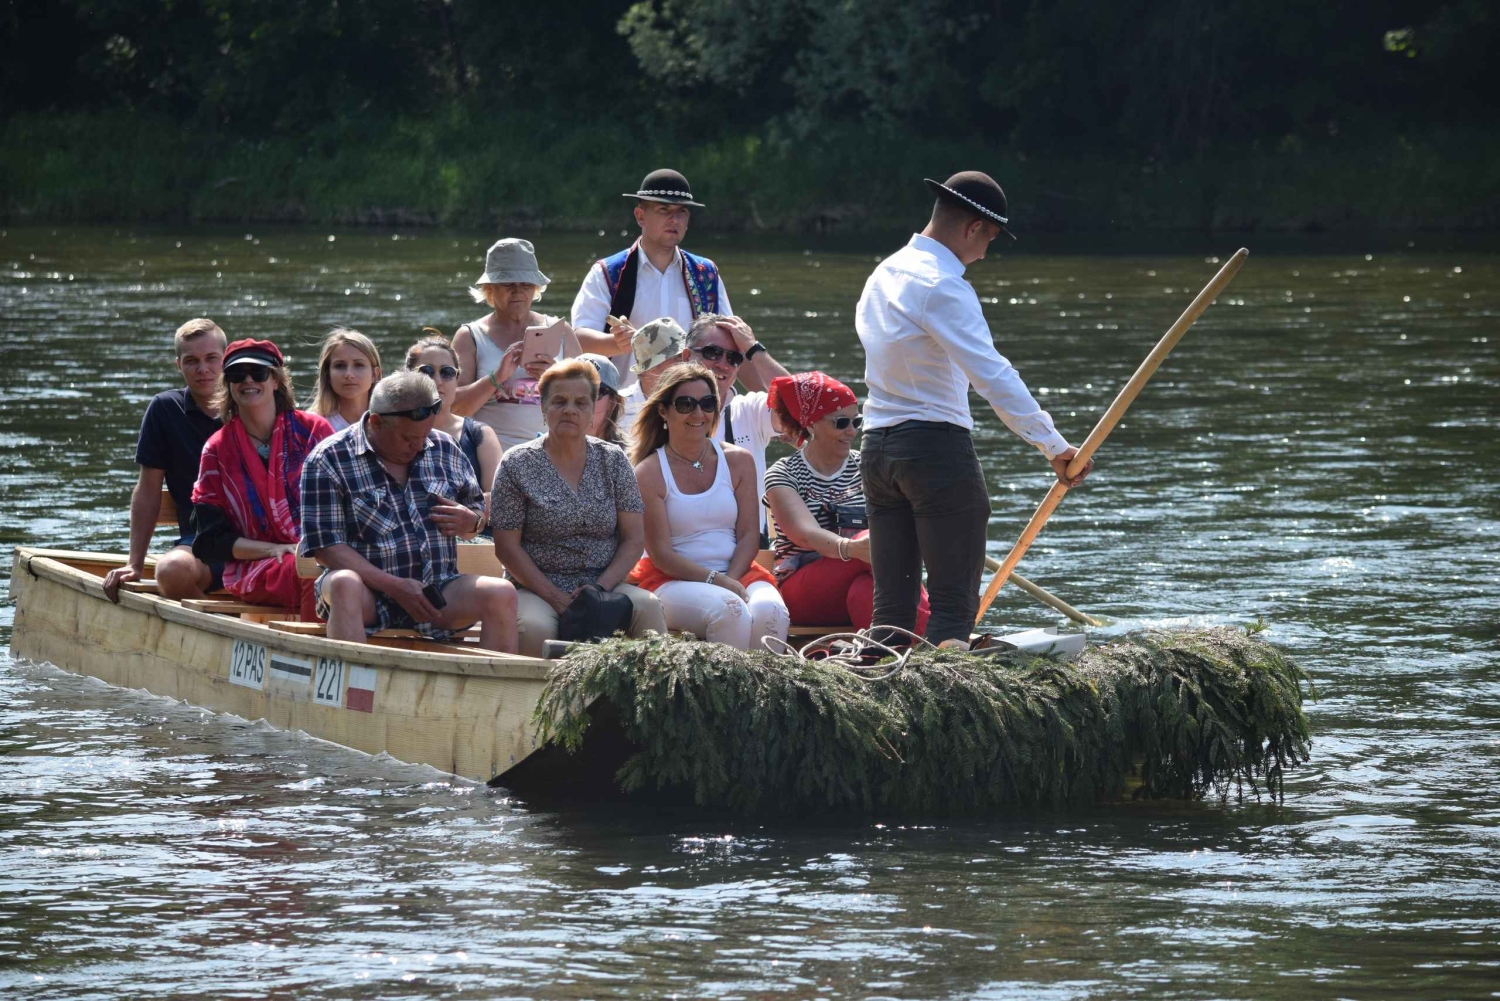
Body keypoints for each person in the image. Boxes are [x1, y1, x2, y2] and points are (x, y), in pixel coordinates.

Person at [857, 171, 1093, 650]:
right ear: (972, 228)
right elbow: (992, 374)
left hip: (877, 450)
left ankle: (878, 680)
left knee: (892, 610)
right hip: (933, 450)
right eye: (990, 239)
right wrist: (1053, 446)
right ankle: (944, 690)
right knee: (952, 607)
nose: (986, 253)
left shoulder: (883, 272)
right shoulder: (942, 284)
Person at [299, 371, 519, 652]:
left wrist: (472, 521)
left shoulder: (444, 447)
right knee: (343, 583)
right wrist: (394, 586)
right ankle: (353, 678)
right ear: (376, 422)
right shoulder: (327, 459)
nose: (418, 446)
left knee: (501, 593)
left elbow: (477, 510)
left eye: (424, 435)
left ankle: (490, 681)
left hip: (437, 592)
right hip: (368, 594)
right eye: (407, 438)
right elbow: (326, 548)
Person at [490, 359, 667, 657]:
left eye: (581, 403)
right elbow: (507, 548)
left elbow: (634, 539)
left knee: (648, 608)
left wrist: (598, 589)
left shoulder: (614, 460)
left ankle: (651, 688)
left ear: (592, 410)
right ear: (543, 408)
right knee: (534, 628)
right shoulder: (516, 464)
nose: (570, 410)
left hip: (604, 584)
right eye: (559, 401)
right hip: (536, 587)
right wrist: (556, 597)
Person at [629, 363, 788, 651]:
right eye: (685, 404)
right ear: (663, 411)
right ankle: (729, 683)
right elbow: (661, 555)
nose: (698, 413)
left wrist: (731, 579)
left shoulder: (740, 460)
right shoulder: (648, 472)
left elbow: (749, 535)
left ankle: (761, 683)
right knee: (730, 610)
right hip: (672, 579)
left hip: (738, 572)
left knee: (771, 612)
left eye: (707, 404)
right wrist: (717, 582)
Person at [572, 169, 772, 397]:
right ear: (640, 216)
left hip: (694, 407)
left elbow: (732, 346)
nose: (674, 219)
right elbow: (578, 340)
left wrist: (770, 404)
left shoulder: (706, 274)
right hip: (625, 407)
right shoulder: (608, 273)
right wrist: (616, 343)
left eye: (682, 211)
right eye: (664, 209)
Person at [763, 372, 930, 632]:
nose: (851, 431)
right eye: (841, 423)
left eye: (857, 421)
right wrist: (855, 549)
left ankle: (888, 647)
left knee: (865, 591)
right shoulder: (783, 473)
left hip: (865, 578)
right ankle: (933, 632)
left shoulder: (869, 464)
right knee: (877, 541)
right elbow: (805, 535)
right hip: (803, 591)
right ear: (811, 425)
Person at [189, 339, 334, 613]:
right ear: (228, 385)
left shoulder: (314, 431)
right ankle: (310, 639)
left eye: (258, 373)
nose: (248, 380)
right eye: (237, 375)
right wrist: (273, 549)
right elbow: (210, 541)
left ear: (276, 380)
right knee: (308, 568)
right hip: (256, 565)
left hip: (324, 550)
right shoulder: (216, 450)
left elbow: (345, 502)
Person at [104, 318, 227, 602]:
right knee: (171, 571)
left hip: (259, 540)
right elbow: (148, 489)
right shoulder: (165, 409)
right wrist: (135, 564)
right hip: (203, 543)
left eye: (211, 358)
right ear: (178, 365)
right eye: (191, 361)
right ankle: (210, 620)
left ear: (226, 358)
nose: (203, 369)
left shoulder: (251, 403)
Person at [449, 238, 583, 451]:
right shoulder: (469, 337)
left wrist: (554, 380)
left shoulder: (562, 331)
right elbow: (453, 409)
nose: (518, 291)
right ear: (489, 288)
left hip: (555, 455)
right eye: (508, 284)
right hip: (491, 458)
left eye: (526, 284)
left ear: (536, 288)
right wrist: (496, 378)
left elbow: (590, 402)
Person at [682, 312, 789, 534]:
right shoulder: (659, 413)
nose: (723, 364)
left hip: (748, 547)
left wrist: (753, 349)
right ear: (686, 357)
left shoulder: (750, 410)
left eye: (734, 358)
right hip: (682, 546)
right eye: (713, 353)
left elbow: (799, 406)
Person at [406, 331, 502, 506]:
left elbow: (499, 499)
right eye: (426, 371)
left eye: (447, 372)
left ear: (457, 380)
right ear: (408, 377)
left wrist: (465, 515)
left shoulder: (480, 434)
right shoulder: (393, 431)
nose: (437, 381)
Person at [308, 327, 382, 432]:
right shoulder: (311, 425)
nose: (349, 374)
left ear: (375, 374)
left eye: (358, 365)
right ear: (328, 375)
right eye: (340, 366)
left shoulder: (389, 422)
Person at [578, 353, 625, 446]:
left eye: (595, 393)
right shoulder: (548, 449)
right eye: (572, 390)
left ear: (613, 403)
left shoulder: (630, 453)